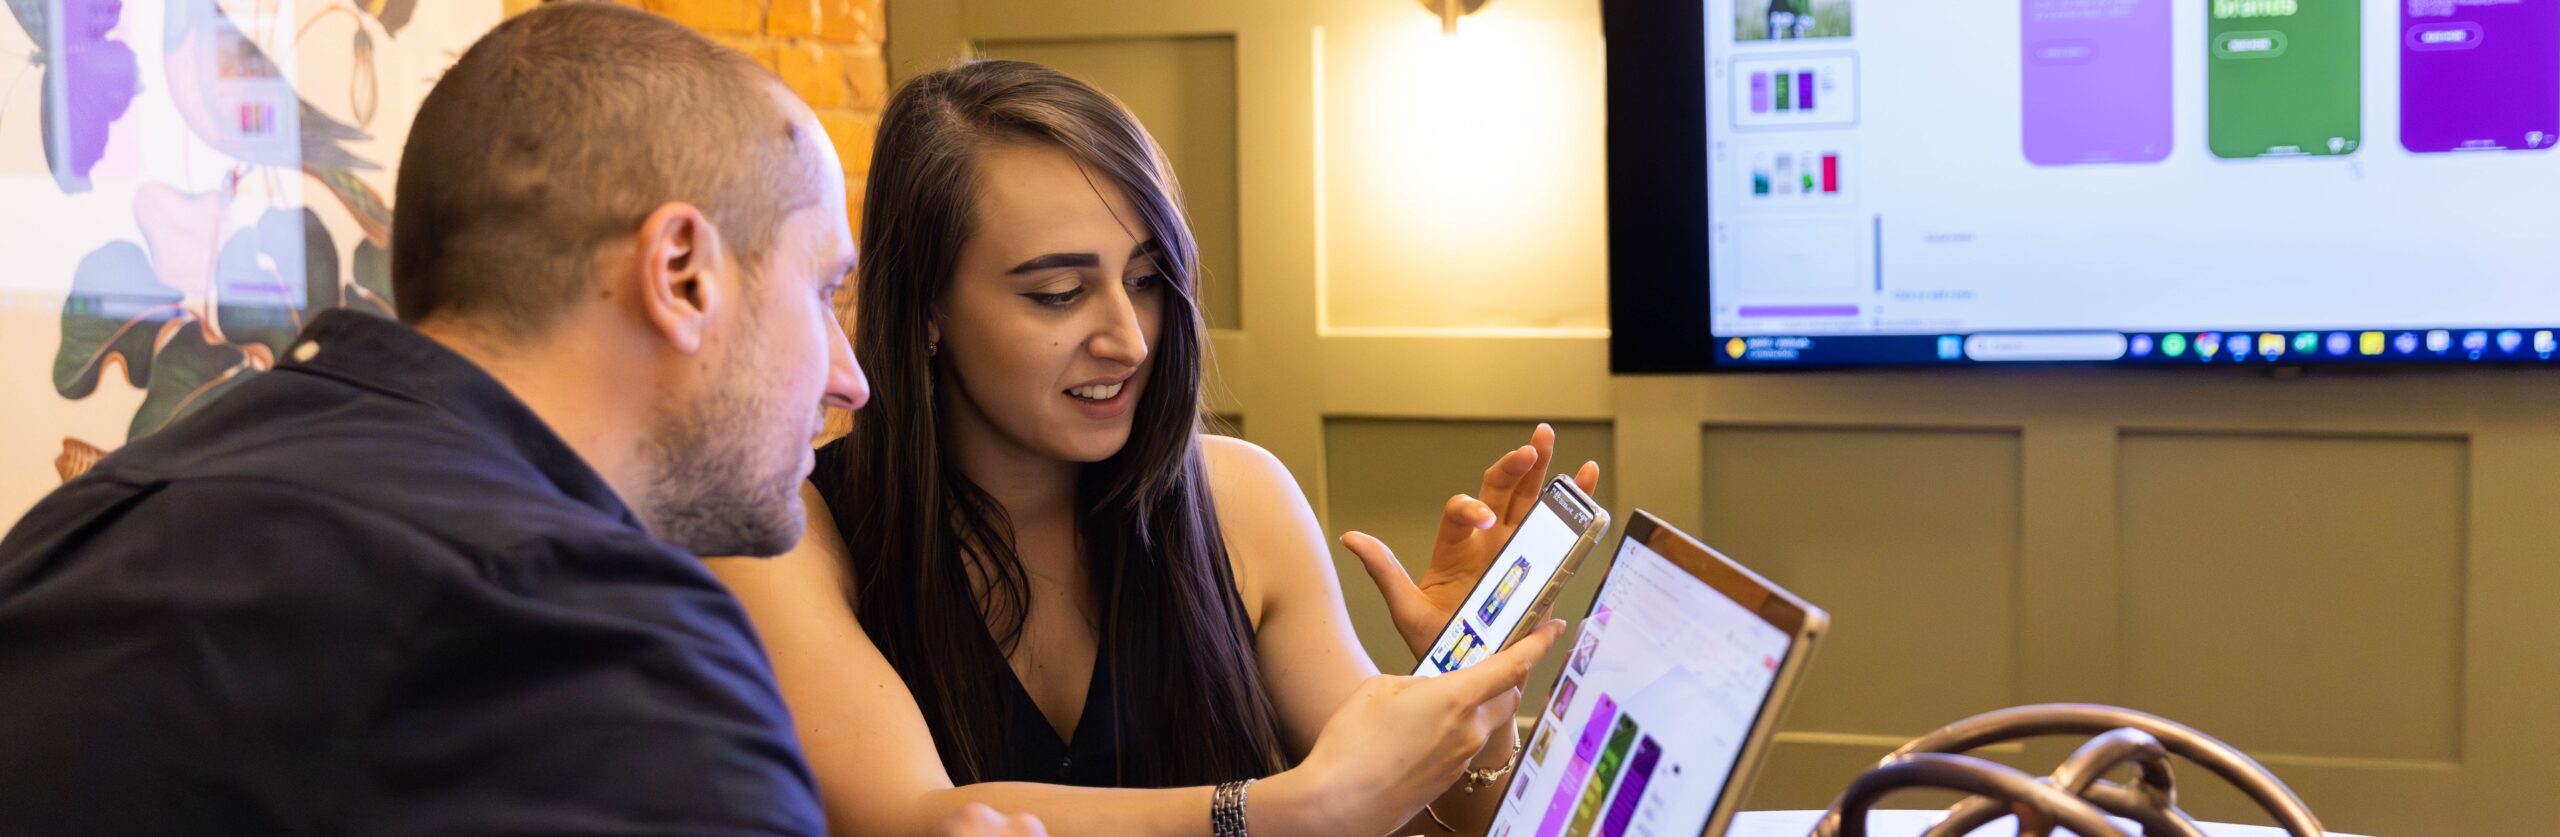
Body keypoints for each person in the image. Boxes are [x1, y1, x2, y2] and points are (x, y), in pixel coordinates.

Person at [0, 5, 1038, 835]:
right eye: (822, 292)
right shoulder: (583, 629)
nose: (850, 379)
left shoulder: (89, 524)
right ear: (681, 274)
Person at [708, 59, 1599, 836]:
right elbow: (916, 821)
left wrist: (1470, 704)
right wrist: (1288, 810)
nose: (1129, 339)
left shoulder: (1240, 498)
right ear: (928, 307)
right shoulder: (788, 533)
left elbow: (1412, 818)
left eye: (1145, 280)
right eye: (1059, 292)